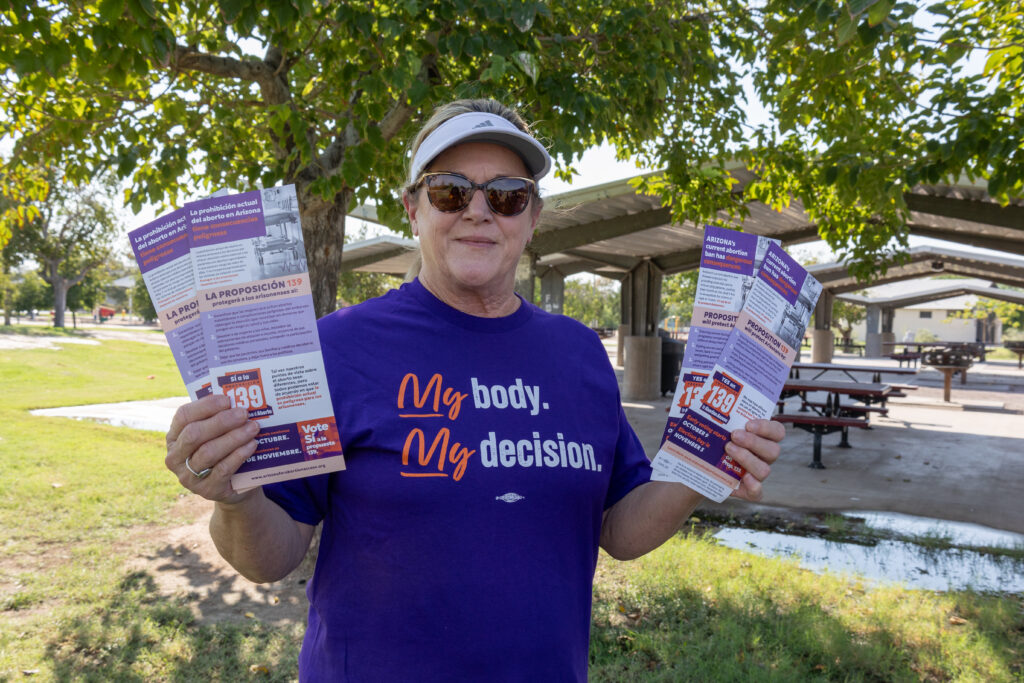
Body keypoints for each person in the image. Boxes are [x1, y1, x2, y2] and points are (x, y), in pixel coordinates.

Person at [164, 98, 785, 681]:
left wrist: (705, 469)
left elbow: (618, 532)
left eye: (509, 196)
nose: (479, 211)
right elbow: (268, 558)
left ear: (533, 218)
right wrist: (234, 498)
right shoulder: (337, 347)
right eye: (451, 190)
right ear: (414, 208)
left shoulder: (579, 354)